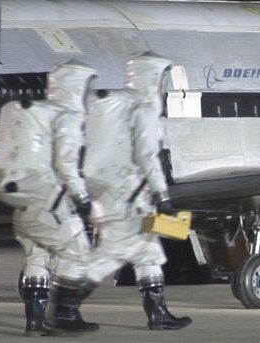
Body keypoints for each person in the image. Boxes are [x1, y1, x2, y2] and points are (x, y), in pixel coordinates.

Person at [0, 61, 99, 335]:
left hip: (20, 197)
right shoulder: (67, 115)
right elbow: (66, 163)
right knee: (79, 254)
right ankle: (65, 314)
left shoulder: (35, 112)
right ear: (78, 86)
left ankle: (35, 322)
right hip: (47, 198)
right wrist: (82, 198)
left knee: (38, 254)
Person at [82, 53, 191, 330]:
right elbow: (147, 156)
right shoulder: (142, 108)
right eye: (161, 78)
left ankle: (158, 313)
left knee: (146, 253)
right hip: (129, 197)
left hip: (106, 193)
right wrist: (163, 196)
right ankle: (65, 305)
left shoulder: (106, 105)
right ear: (152, 78)